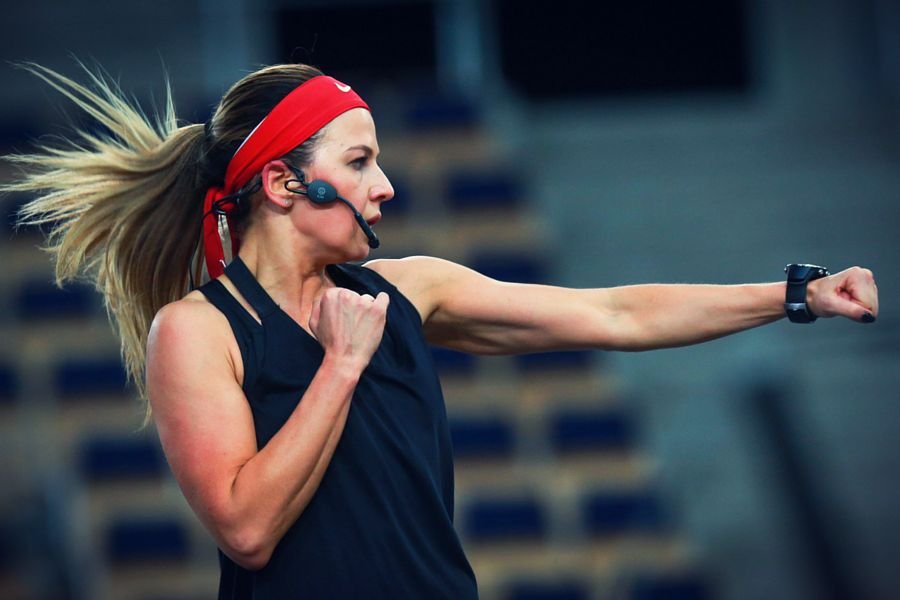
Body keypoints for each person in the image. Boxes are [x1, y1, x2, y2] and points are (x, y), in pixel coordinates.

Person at [4, 62, 879, 599]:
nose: (383, 187)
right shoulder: (195, 331)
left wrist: (796, 293)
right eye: (357, 163)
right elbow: (246, 529)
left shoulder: (407, 289)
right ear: (280, 185)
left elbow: (615, 313)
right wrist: (341, 366)